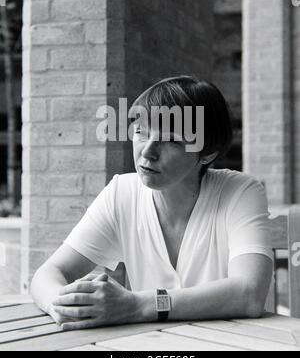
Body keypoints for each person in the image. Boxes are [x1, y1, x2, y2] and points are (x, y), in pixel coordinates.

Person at [31, 75, 273, 331]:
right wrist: (65, 304)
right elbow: (47, 275)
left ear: (207, 154)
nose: (147, 151)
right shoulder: (122, 193)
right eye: (140, 132)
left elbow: (250, 292)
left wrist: (137, 305)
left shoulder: (241, 191)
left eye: (171, 140)